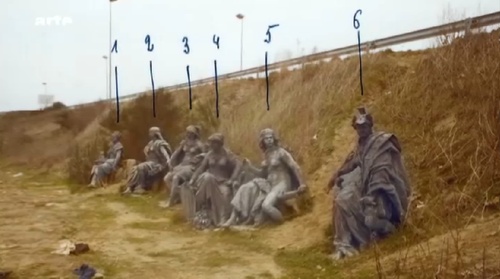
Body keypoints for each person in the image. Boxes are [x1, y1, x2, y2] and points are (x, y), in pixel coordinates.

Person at [327, 106, 412, 260]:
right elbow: (352, 164)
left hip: (382, 189)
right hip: (367, 186)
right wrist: (337, 175)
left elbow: (384, 169)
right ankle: (344, 245)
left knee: (369, 216)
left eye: (365, 126)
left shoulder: (380, 143)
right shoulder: (360, 146)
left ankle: (384, 234)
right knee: (341, 200)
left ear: (370, 126)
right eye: (359, 127)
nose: (362, 130)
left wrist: (373, 192)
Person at [222, 128, 307, 227]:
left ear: (274, 139)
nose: (269, 140)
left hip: (281, 184)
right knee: (245, 188)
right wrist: (250, 167)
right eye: (266, 139)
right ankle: (232, 218)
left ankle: (283, 223)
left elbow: (294, 166)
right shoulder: (267, 155)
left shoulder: (281, 152)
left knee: (266, 205)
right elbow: (262, 174)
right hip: (269, 183)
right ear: (263, 141)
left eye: (271, 138)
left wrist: (302, 184)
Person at [186, 133, 242, 228]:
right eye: (211, 143)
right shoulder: (209, 155)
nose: (212, 145)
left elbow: (238, 165)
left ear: (220, 144)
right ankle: (201, 213)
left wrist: (232, 179)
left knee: (225, 194)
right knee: (207, 177)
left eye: (214, 143)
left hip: (223, 182)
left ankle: (223, 219)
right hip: (210, 182)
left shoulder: (227, 154)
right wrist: (192, 179)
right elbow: (201, 168)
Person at [159, 125, 206, 208]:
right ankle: (179, 196)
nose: (188, 134)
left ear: (194, 134)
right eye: (187, 132)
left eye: (190, 133)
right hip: (182, 165)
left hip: (191, 167)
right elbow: (176, 153)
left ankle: (171, 201)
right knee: (166, 178)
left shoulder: (199, 144)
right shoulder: (184, 142)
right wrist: (170, 162)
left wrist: (199, 158)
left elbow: (206, 155)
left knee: (176, 178)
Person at [122, 127, 172, 195]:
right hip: (150, 163)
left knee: (141, 167)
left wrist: (168, 162)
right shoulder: (150, 143)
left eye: (150, 132)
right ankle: (130, 187)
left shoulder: (160, 143)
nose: (149, 134)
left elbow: (165, 154)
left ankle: (141, 187)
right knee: (134, 168)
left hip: (157, 164)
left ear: (155, 133)